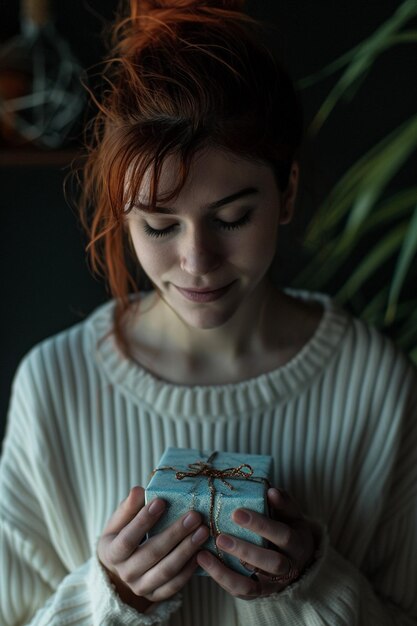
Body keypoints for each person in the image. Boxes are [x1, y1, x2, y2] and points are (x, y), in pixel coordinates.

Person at [1, 1, 416, 624]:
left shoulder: (374, 381)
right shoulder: (54, 385)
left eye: (231, 218)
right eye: (160, 225)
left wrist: (316, 585)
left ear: (288, 193)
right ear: (123, 216)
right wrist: (109, 600)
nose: (197, 261)